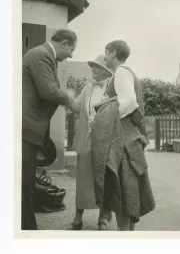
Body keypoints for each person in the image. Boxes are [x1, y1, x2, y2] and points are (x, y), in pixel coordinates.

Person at [90, 40, 155, 231]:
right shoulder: (126, 72)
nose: (104, 55)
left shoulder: (121, 72)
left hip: (123, 137)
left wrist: (104, 119)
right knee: (128, 189)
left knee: (123, 190)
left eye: (105, 52)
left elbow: (129, 101)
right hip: (128, 136)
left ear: (112, 53)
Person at [22, 29, 77, 230]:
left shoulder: (43, 56)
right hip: (25, 129)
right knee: (24, 186)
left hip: (27, 129)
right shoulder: (41, 55)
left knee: (25, 184)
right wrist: (71, 101)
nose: (71, 55)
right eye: (72, 49)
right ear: (64, 43)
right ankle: (26, 234)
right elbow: (48, 91)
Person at [65, 55, 112, 231]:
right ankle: (78, 219)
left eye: (96, 67)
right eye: (92, 67)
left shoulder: (113, 89)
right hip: (87, 138)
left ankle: (102, 219)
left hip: (106, 139)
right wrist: (65, 97)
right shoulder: (87, 89)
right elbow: (76, 107)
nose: (93, 70)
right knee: (83, 178)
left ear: (106, 71)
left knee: (104, 178)